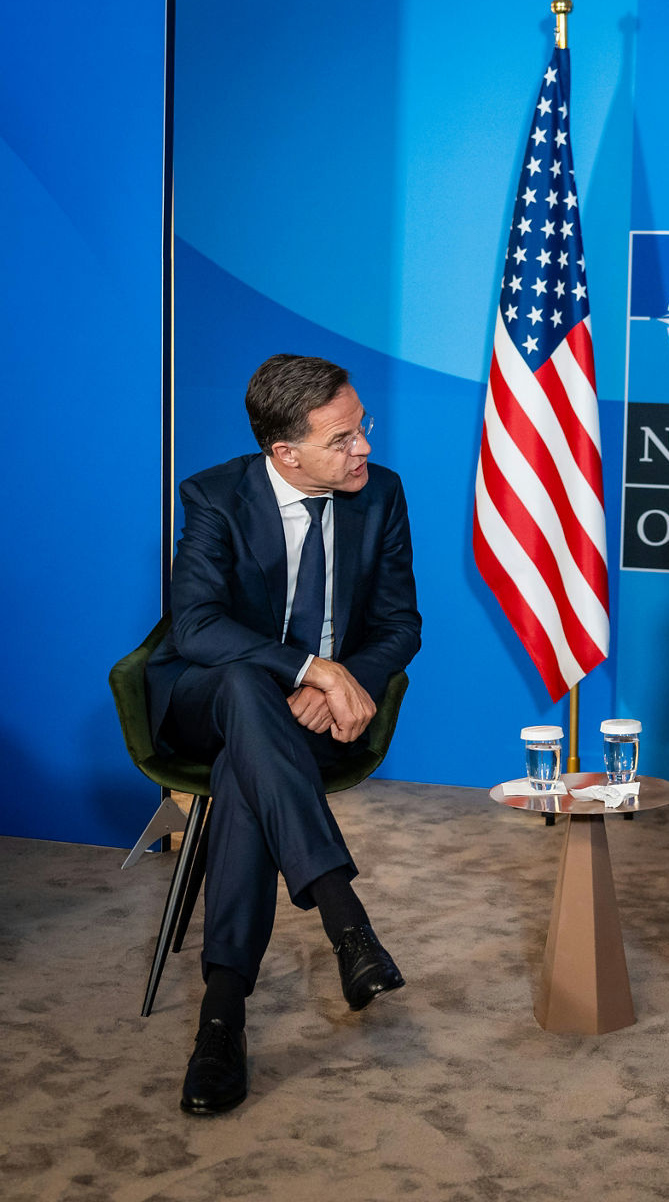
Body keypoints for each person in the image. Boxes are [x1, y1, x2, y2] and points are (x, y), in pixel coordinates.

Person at [146, 354, 422, 1115]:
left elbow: (401, 623)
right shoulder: (216, 497)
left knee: (246, 771)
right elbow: (196, 625)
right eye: (343, 438)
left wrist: (342, 679)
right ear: (285, 454)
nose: (363, 446)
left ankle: (220, 1021)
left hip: (310, 725)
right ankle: (345, 918)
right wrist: (310, 669)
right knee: (241, 687)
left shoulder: (382, 495)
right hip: (211, 701)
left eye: (362, 426)